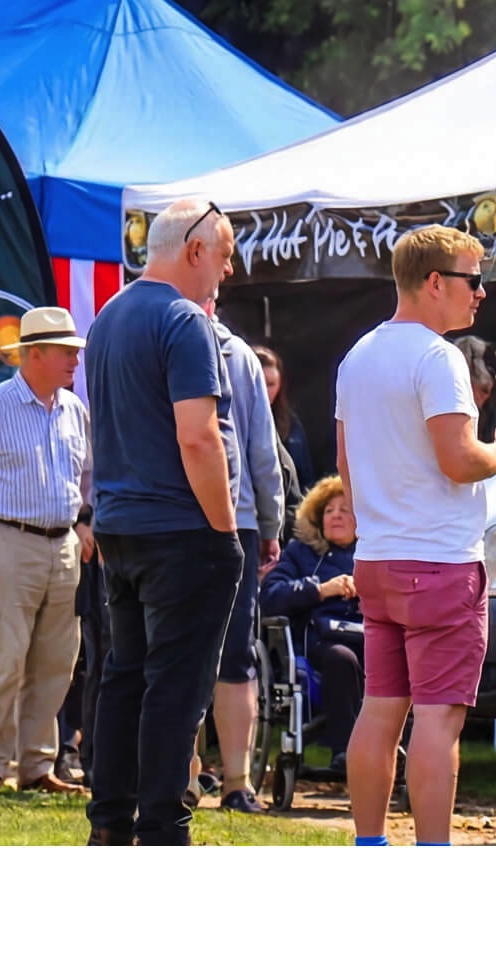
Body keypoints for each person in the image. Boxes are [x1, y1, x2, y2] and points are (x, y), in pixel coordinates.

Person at [332, 225, 496, 847]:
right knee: (438, 722)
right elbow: (460, 462)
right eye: (474, 281)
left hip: (379, 560)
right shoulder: (438, 357)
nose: (481, 294)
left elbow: (346, 468)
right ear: (435, 283)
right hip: (440, 562)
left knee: (380, 710)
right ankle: (432, 852)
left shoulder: (357, 355)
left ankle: (369, 844)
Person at [82, 197, 245, 846]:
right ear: (196, 251)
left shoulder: (107, 317)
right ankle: (162, 831)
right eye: (226, 255)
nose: (228, 271)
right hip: (180, 530)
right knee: (175, 692)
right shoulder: (184, 319)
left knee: (124, 682)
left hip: (120, 526)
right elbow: (199, 437)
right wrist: (226, 531)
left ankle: (111, 827)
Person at [0, 307, 91, 793]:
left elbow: (86, 478)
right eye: (66, 352)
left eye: (76, 352)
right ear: (34, 354)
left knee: (56, 661)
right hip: (6, 539)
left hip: (63, 543)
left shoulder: (75, 410)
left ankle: (37, 767)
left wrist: (82, 525)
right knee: (4, 656)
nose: (75, 360)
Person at [200, 299, 284, 814]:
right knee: (234, 657)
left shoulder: (137, 337)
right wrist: (272, 525)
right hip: (237, 521)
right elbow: (261, 450)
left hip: (170, 522)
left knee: (176, 657)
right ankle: (237, 783)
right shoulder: (238, 354)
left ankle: (185, 780)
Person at [259, 475, 361, 783]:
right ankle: (345, 752)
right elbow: (271, 597)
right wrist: (321, 589)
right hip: (320, 643)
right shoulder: (301, 553)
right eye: (329, 510)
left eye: (345, 509)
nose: (336, 515)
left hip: (371, 635)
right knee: (341, 659)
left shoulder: (376, 555)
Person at [253, 344, 308, 528]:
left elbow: (305, 475)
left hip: (289, 517)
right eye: (260, 382)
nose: (265, 391)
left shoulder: (290, 423)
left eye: (271, 384)